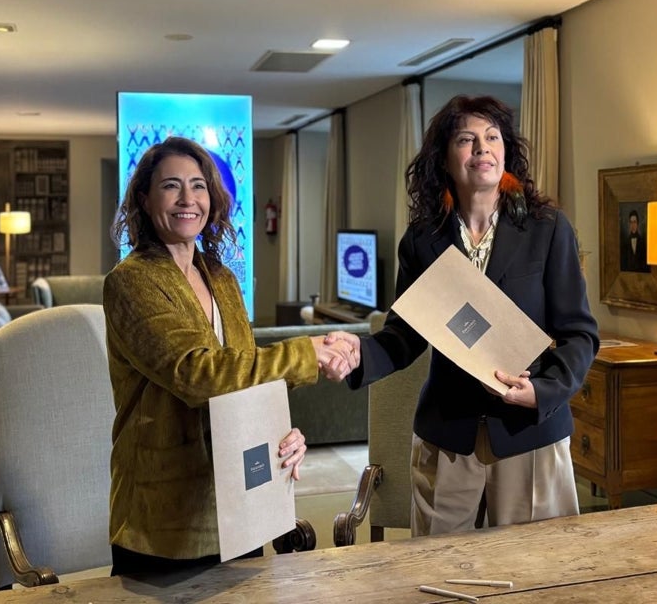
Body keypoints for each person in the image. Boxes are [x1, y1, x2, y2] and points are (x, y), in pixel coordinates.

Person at [328, 95, 598, 536]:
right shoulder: (422, 240)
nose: (482, 149)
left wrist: (543, 391)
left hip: (529, 430)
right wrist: (358, 353)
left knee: (537, 576)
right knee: (439, 577)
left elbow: (579, 334)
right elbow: (404, 336)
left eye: (492, 138)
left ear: (506, 152)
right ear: (445, 157)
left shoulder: (547, 229)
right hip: (447, 435)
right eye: (467, 139)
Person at [103, 136, 353, 576]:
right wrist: (306, 352)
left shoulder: (221, 278)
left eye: (198, 186)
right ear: (144, 199)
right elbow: (199, 375)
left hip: (242, 503)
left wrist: (283, 433)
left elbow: (245, 374)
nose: (187, 199)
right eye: (171, 186)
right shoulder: (131, 282)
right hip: (167, 521)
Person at [620, 208, 651, 273]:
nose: (633, 225)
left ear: (637, 224)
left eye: (634, 222)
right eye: (631, 222)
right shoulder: (625, 243)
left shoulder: (642, 242)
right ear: (629, 224)